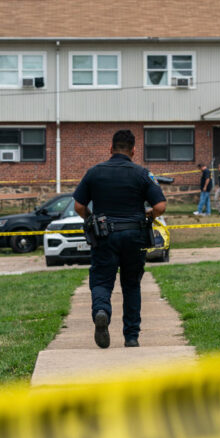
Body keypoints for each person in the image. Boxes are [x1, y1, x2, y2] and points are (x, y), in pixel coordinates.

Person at [73, 130, 167, 349]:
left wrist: (91, 219)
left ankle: (101, 311)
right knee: (131, 285)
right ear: (134, 150)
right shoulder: (142, 174)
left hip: (104, 235)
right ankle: (131, 337)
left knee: (101, 281)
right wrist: (147, 215)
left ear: (110, 148)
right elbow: (160, 206)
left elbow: (79, 205)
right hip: (134, 236)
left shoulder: (94, 172)